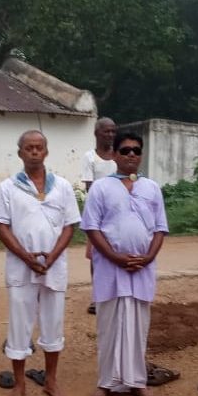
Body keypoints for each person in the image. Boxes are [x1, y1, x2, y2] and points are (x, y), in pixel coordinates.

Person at [0, 130, 81, 396]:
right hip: (21, 266)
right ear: (20, 153)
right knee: (19, 324)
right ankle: (19, 385)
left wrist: (51, 258)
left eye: (39, 147)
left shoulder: (62, 186)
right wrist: (27, 258)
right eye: (28, 148)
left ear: (46, 152)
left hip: (54, 265)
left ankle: (51, 381)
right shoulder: (8, 187)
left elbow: (70, 226)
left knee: (53, 322)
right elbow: (2, 228)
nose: (34, 152)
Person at [81, 132, 168, 396]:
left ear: (141, 156)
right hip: (110, 267)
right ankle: (106, 383)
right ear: (115, 154)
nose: (131, 154)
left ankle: (136, 382)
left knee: (138, 326)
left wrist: (149, 257)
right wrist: (114, 257)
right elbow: (91, 228)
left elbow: (160, 228)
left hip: (142, 268)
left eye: (136, 150)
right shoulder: (101, 187)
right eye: (126, 150)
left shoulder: (151, 188)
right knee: (109, 325)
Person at [80, 117, 117, 315]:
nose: (110, 135)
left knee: (118, 251)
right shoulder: (90, 157)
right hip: (98, 214)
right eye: (106, 131)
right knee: (97, 256)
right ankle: (97, 297)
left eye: (113, 131)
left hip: (118, 212)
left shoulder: (119, 155)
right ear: (96, 133)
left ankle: (115, 292)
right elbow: (90, 188)